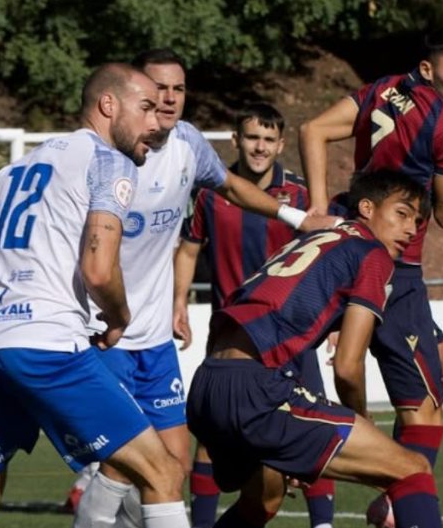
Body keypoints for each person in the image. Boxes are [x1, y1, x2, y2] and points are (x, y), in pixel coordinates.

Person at [68, 50, 336, 526]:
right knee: (123, 466)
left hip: (154, 342)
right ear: (134, 93)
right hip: (103, 332)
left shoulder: (189, 143)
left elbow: (230, 186)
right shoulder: (104, 157)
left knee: (170, 468)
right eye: (157, 89)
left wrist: (298, 216)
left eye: (178, 89)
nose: (168, 99)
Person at [0, 63, 190, 528]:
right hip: (46, 346)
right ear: (108, 105)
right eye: (147, 108)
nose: (156, 123)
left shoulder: (15, 168)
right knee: (164, 473)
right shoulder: (107, 162)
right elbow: (98, 269)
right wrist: (119, 317)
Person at [187, 169, 443, 528]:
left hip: (207, 385)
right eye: (401, 213)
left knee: (264, 500)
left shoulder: (314, 238)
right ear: (366, 208)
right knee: (412, 469)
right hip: (255, 390)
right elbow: (347, 365)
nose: (411, 229)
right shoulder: (372, 254)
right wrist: (361, 419)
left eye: (417, 221)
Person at [299, 28, 443, 522]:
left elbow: (312, 129)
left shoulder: (382, 90)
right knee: (422, 407)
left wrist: (317, 207)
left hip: (349, 245)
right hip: (395, 268)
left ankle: (395, 485)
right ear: (428, 69)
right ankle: (399, 497)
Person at [174, 103, 336, 528]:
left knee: (317, 428)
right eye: (251, 138)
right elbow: (188, 251)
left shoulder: (301, 196)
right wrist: (178, 305)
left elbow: (325, 256)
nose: (259, 147)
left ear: (281, 144)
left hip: (291, 338)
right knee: (211, 439)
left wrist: (334, 321)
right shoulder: (209, 192)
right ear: (235, 140)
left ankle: (323, 525)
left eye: (268, 139)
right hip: (230, 339)